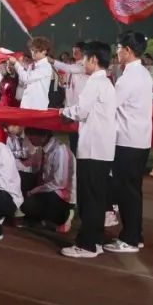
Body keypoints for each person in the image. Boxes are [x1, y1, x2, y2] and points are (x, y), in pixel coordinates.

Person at [57, 41, 116, 258]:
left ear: (93, 59)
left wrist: (63, 112)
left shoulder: (95, 82)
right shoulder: (107, 82)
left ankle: (87, 245)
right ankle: (95, 240)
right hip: (103, 149)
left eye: (85, 59)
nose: (82, 63)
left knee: (89, 198)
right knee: (97, 198)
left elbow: (80, 111)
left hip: (92, 148)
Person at [104, 31, 153, 254]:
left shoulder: (129, 78)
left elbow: (109, 106)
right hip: (139, 140)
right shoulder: (143, 73)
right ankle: (135, 234)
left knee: (127, 192)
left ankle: (130, 238)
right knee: (133, 191)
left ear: (128, 50)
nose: (116, 52)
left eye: (118, 48)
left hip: (126, 140)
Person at [21, 128, 74, 233]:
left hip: (61, 195)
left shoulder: (59, 150)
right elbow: (33, 166)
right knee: (22, 180)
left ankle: (64, 215)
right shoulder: (43, 149)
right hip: (47, 188)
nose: (30, 139)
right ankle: (40, 217)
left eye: (32, 136)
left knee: (29, 203)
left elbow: (60, 183)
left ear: (44, 136)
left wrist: (34, 191)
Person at [52, 42, 88, 152]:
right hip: (70, 106)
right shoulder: (73, 66)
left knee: (80, 140)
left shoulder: (84, 66)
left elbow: (69, 69)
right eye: (73, 50)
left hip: (80, 107)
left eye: (78, 50)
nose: (75, 52)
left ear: (84, 52)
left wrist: (52, 61)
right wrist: (62, 83)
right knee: (73, 139)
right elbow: (67, 84)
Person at [9, 37, 53, 111]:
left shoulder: (45, 66)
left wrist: (16, 64)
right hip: (26, 104)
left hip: (37, 107)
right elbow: (23, 82)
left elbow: (26, 78)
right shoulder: (32, 65)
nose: (33, 53)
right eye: (32, 50)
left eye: (36, 51)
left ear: (44, 51)